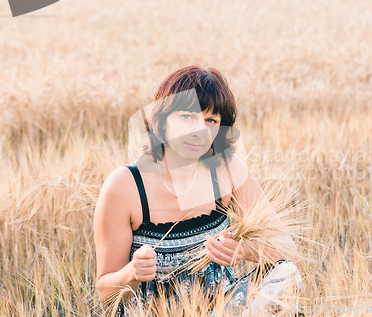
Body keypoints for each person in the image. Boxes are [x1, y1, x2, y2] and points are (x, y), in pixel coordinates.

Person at [94, 66, 303, 316]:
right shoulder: (125, 186)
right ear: (161, 121)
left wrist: (244, 251)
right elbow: (105, 294)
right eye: (187, 117)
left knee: (286, 275)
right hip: (150, 312)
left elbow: (288, 249)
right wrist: (131, 273)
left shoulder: (228, 171)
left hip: (220, 310)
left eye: (211, 121)